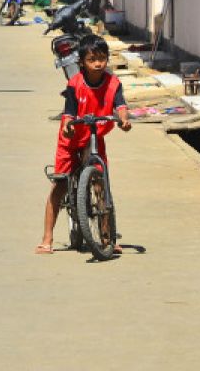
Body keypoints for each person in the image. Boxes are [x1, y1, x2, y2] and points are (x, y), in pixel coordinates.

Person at [36, 34, 132, 254]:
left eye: (102, 58)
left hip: (95, 137)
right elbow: (69, 111)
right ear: (81, 62)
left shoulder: (113, 83)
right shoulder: (75, 84)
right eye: (92, 59)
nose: (98, 64)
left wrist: (124, 119)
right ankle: (47, 238)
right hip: (70, 138)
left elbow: (121, 106)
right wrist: (68, 124)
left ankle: (107, 237)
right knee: (59, 185)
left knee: (100, 184)